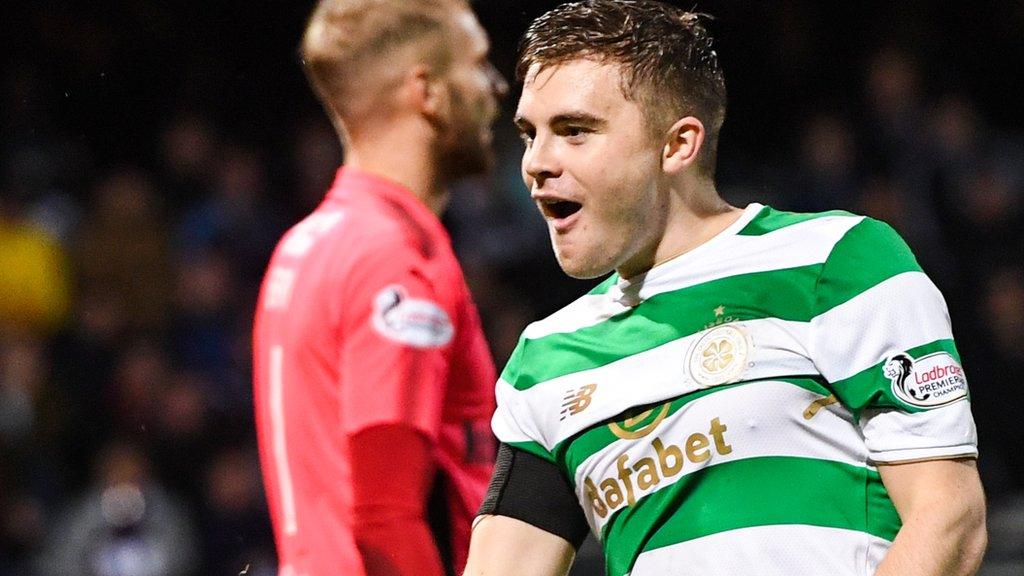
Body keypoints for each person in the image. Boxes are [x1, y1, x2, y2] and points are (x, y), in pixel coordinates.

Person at [464, 2, 987, 576]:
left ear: (678, 145)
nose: (536, 162)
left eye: (574, 131)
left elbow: (949, 519)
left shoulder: (836, 261)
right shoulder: (543, 361)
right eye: (528, 134)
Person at [252, 1, 506, 575]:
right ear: (428, 92)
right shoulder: (394, 261)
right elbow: (385, 515)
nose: (496, 86)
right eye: (478, 64)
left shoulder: (310, 243)